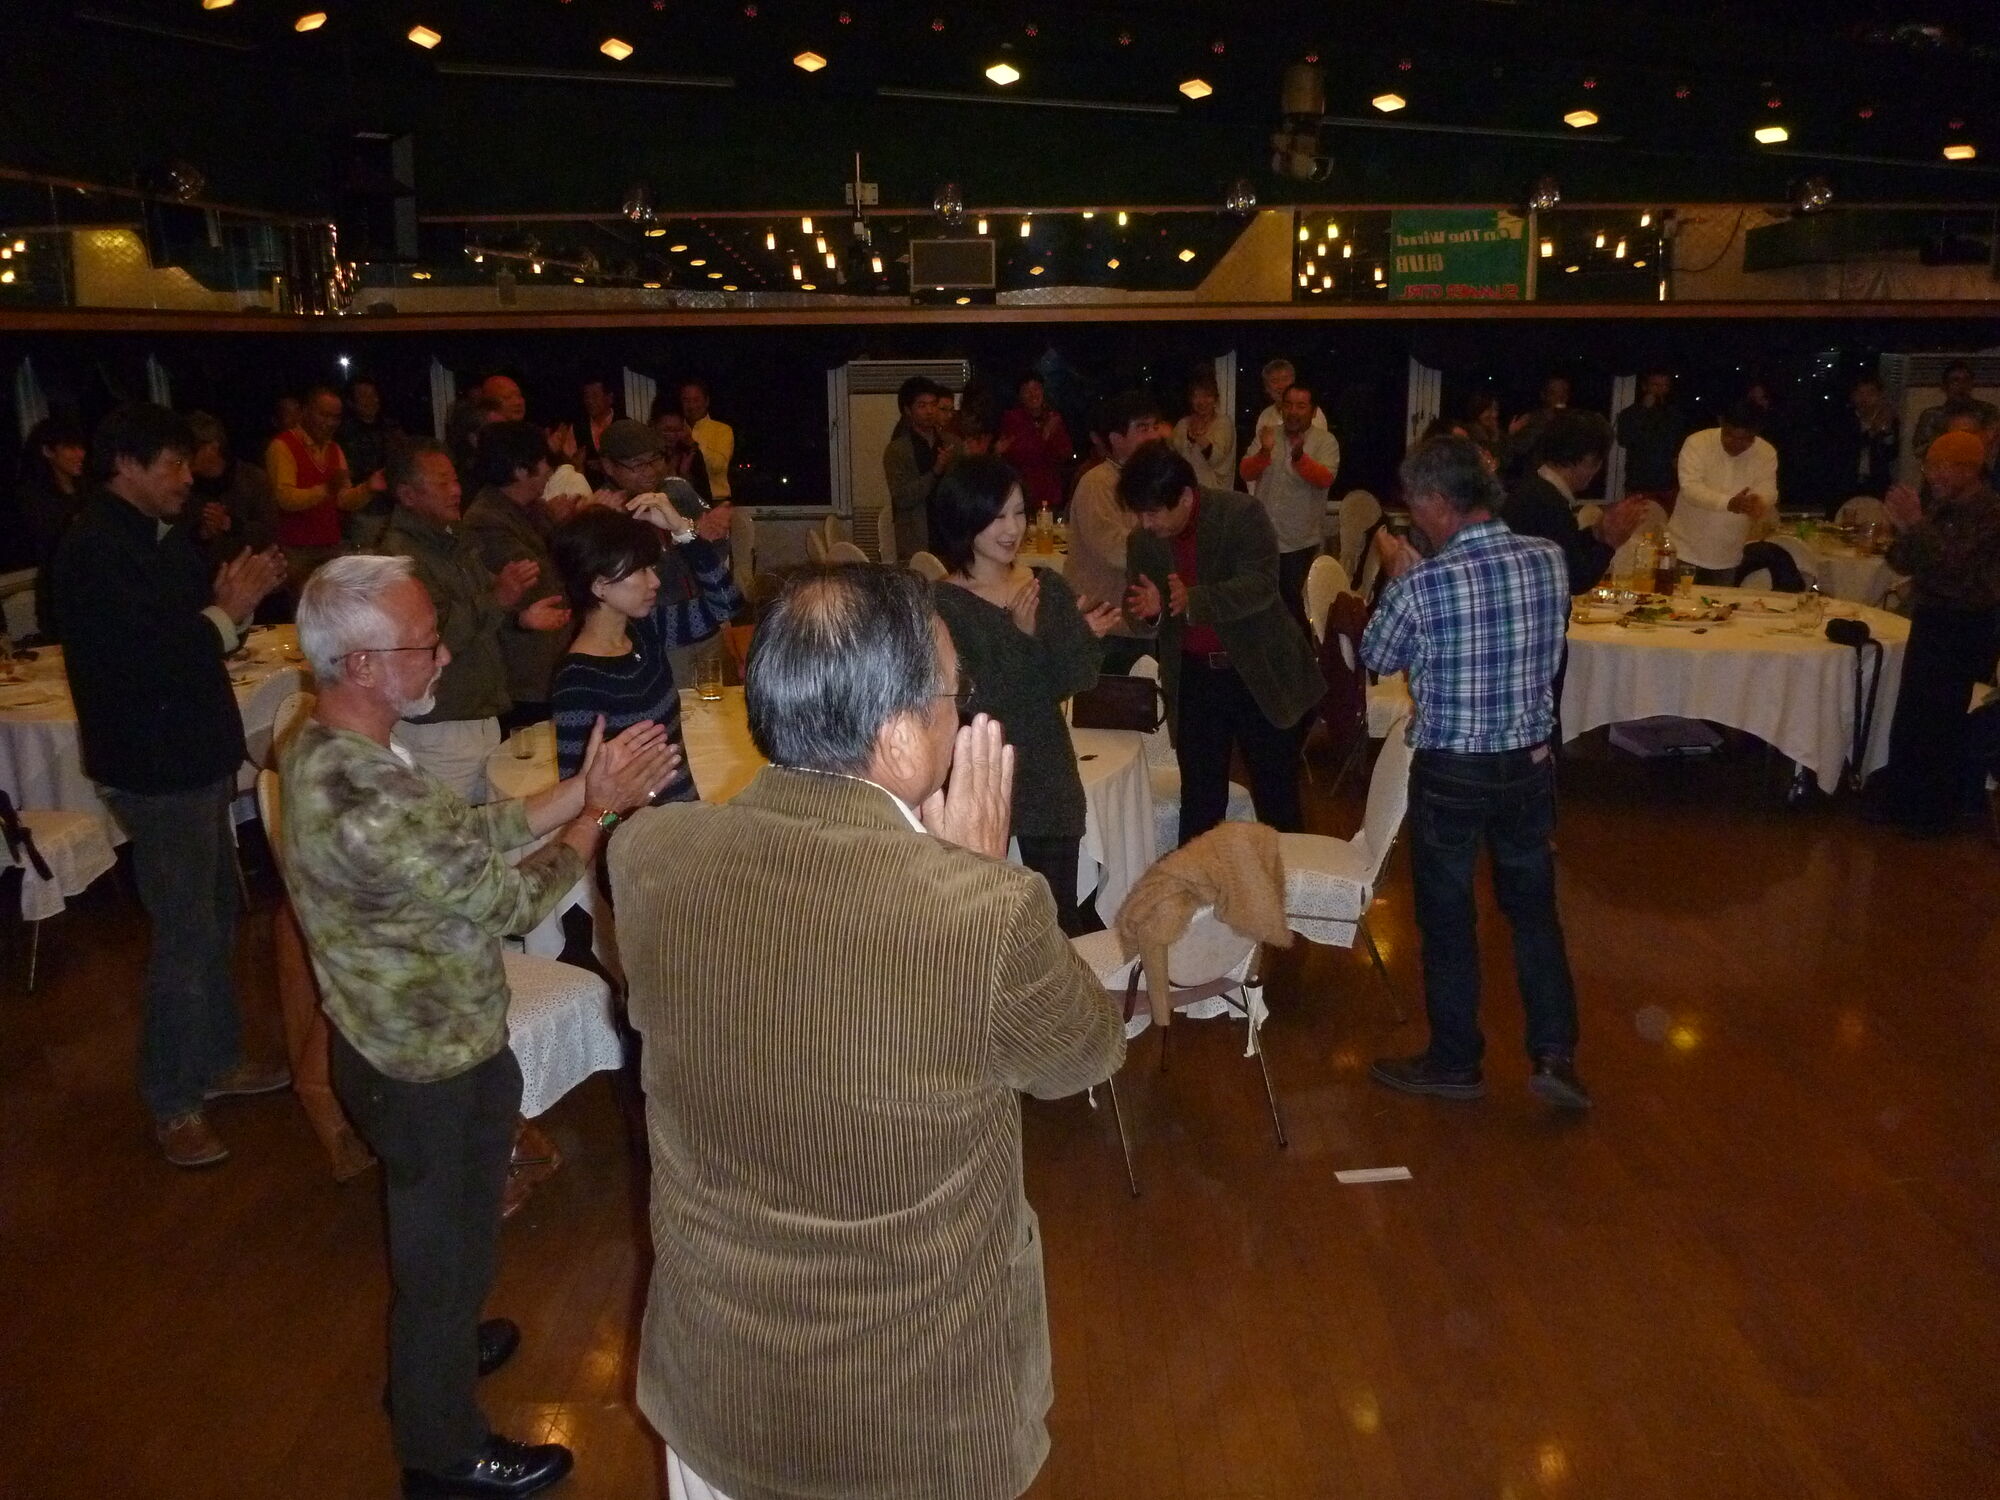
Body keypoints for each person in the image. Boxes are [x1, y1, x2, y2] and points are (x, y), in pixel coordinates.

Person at [608, 564, 1124, 1500]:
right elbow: (1086, 1053)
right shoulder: (978, 911)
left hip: (714, 1392)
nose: (961, 714)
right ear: (897, 737)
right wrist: (976, 873)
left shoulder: (648, 854)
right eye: (953, 694)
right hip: (908, 1424)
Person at [282, 553, 675, 1500]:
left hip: (408, 1042)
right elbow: (509, 902)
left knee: (450, 1252)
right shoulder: (365, 793)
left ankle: (441, 1355)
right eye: (425, 645)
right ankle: (442, 1450)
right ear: (363, 665)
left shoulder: (332, 744)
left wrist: (579, 789)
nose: (445, 656)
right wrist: (600, 817)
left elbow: (461, 840)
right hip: (426, 1067)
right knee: (443, 1259)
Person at [51, 403, 290, 1167]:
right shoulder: (95, 550)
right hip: (155, 767)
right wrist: (225, 612)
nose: (189, 478)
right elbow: (144, 661)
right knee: (185, 934)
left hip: (192, 754)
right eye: (173, 464)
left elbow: (198, 637)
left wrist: (233, 608)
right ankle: (173, 1100)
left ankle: (215, 1061)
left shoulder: (159, 537)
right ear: (125, 466)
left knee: (215, 917)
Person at [1360, 435, 1589, 1111]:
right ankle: (1554, 1054)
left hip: (1453, 772)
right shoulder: (1549, 559)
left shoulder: (1424, 584)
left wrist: (1396, 575)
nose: (1412, 516)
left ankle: (1456, 1061)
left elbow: (1377, 654)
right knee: (1534, 913)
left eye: (1414, 504)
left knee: (1448, 919)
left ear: (1437, 502)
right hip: (1529, 765)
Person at [929, 456, 1117, 933]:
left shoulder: (1045, 584)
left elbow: (1078, 677)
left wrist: (1069, 637)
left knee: (1056, 917)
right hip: (974, 769)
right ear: (965, 518)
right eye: (997, 516)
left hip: (1045, 769)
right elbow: (974, 697)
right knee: (978, 915)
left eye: (1019, 513)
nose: (1013, 528)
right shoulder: (940, 603)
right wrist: (1024, 636)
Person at [1119, 441, 1325, 844]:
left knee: (1277, 797)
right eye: (1139, 513)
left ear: (1184, 497)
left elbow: (1261, 585)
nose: (1145, 523)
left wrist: (1193, 601)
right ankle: (1195, 881)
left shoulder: (1241, 514)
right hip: (1195, 677)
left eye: (1153, 512)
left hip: (1258, 672)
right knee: (1200, 800)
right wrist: (1150, 612)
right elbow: (1137, 608)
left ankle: (1289, 880)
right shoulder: (1142, 542)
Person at [381, 439, 568, 802]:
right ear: (407, 495)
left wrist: (520, 618)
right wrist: (498, 598)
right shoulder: (399, 559)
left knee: (495, 821)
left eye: (455, 480)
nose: (455, 490)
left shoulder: (452, 540)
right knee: (456, 829)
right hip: (441, 724)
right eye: (441, 483)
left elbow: (483, 613)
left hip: (479, 714)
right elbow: (434, 641)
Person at [549, 505, 739, 801]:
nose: (655, 581)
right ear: (599, 585)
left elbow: (727, 603)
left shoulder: (645, 630)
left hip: (686, 815)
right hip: (642, 828)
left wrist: (683, 531)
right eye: (641, 570)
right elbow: (579, 796)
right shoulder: (578, 680)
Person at [1866, 431, 2000, 836]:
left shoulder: (1990, 513)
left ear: (1969, 469)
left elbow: (1956, 567)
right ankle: (1903, 801)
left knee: (1942, 718)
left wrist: (1916, 525)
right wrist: (1903, 530)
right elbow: (1904, 563)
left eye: (1941, 467)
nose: (1932, 476)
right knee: (1912, 712)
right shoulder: (1942, 508)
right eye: (1930, 467)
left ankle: (1931, 814)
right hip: (1932, 618)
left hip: (1968, 624)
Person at [596, 418, 737, 688]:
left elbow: (716, 558)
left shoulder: (677, 491)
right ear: (609, 466)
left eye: (655, 460)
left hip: (706, 624)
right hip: (654, 640)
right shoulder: (604, 510)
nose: (650, 471)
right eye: (637, 465)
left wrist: (713, 534)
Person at [461, 421, 574, 731]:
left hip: (552, 658)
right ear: (521, 470)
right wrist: (574, 530)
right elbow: (543, 581)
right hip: (526, 668)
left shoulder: (530, 508)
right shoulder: (486, 520)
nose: (549, 470)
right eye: (544, 461)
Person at [1068, 392, 1167, 673]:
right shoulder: (1097, 483)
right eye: (1142, 428)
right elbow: (1114, 551)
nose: (1153, 436)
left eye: (1154, 426)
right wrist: (1165, 549)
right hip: (1106, 626)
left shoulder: (1151, 479)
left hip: (1142, 622)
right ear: (1116, 438)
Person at [1505, 411, 1648, 593]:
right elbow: (1576, 579)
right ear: (1589, 458)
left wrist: (1596, 532)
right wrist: (1610, 542)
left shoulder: (1536, 488)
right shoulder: (1547, 500)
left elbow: (1565, 546)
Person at [1668, 403, 1800, 589]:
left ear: (1756, 433)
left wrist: (1759, 501)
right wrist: (1728, 503)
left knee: (1720, 607)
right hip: (1685, 550)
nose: (1736, 444)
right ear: (1721, 423)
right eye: (1729, 435)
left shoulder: (1765, 452)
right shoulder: (1698, 443)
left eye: (1746, 439)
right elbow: (1690, 488)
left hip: (1729, 554)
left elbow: (1768, 490)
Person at [1240, 382, 1340, 625]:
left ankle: (1295, 649)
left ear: (1313, 411)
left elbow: (1325, 478)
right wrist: (1264, 453)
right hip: (1263, 537)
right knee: (1260, 605)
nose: (1293, 411)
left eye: (1301, 406)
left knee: (1292, 610)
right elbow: (1245, 471)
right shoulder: (1268, 434)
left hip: (1298, 543)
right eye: (1288, 405)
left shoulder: (1325, 441)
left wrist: (1299, 458)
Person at [266, 384, 379, 593]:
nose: (330, 423)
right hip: (296, 551)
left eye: (335, 417)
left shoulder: (334, 448)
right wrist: (325, 489)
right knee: (304, 606)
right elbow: (284, 498)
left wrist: (368, 488)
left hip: (331, 545)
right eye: (324, 415)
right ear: (305, 411)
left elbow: (343, 499)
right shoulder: (282, 446)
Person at [16, 415, 87, 639]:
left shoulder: (88, 490)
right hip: (60, 596)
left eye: (81, 447)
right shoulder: (34, 496)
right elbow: (55, 538)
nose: (81, 454)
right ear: (48, 451)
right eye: (71, 448)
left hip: (93, 591)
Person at [184, 411, 279, 573]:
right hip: (205, 579)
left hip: (254, 576)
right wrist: (202, 533)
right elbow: (177, 539)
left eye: (191, 450)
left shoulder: (253, 479)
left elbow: (269, 532)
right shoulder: (183, 487)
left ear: (212, 447)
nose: (185, 456)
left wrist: (229, 523)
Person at [882, 375, 955, 558]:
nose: (929, 411)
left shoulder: (952, 444)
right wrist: (935, 471)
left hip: (950, 536)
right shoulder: (897, 450)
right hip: (916, 539)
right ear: (908, 410)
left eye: (933, 404)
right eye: (922, 405)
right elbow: (902, 497)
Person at [995, 371, 1074, 514]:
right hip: (1025, 494)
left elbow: (1065, 452)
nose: (1033, 395)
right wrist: (1046, 434)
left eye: (1036, 389)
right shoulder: (1012, 419)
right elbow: (1022, 454)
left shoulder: (1053, 417)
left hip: (1051, 493)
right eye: (1027, 391)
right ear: (1020, 395)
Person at [338, 375, 402, 548]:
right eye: (364, 396)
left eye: (373, 395)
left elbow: (402, 458)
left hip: (395, 507)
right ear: (352, 402)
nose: (371, 400)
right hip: (365, 511)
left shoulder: (391, 427)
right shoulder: (344, 434)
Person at [1614, 369, 1687, 502]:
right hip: (1639, 483)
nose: (1660, 390)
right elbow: (1624, 439)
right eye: (1655, 385)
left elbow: (1680, 442)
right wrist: (1644, 410)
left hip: (1668, 483)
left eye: (1665, 386)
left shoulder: (1674, 415)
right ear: (1644, 387)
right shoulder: (1630, 413)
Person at [1910, 360, 1997, 461]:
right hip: (1943, 466)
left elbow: (1993, 445)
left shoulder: (1986, 411)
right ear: (1944, 387)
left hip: (1977, 465)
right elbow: (1920, 450)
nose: (1962, 385)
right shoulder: (1932, 415)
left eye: (1966, 380)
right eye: (1955, 380)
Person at [1170, 368, 1238, 492]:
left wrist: (1200, 438)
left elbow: (1216, 459)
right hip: (1187, 494)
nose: (1202, 402)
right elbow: (1173, 458)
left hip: (1215, 496)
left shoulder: (1223, 423)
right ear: (1190, 399)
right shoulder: (1182, 425)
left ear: (1215, 398)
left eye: (1207, 396)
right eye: (1196, 396)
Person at [1503, 373, 1572, 485]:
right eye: (1553, 393)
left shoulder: (1571, 421)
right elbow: (1519, 450)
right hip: (1535, 482)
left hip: (1563, 481)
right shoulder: (1531, 420)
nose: (1560, 398)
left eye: (1564, 393)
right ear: (1543, 395)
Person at [647, 399, 715, 506]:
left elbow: (705, 500)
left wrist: (685, 475)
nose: (673, 436)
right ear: (653, 426)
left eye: (678, 430)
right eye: (667, 430)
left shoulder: (690, 453)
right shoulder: (645, 455)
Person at [680, 377, 734, 504]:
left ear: (707, 401)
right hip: (681, 500)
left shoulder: (722, 430)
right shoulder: (676, 430)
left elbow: (719, 465)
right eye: (686, 400)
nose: (691, 405)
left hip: (715, 501)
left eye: (696, 400)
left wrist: (693, 444)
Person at [1847, 374, 1901, 503]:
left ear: (1880, 396)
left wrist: (1887, 431)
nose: (1864, 398)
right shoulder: (1845, 420)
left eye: (1870, 393)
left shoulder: (1888, 419)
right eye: (1860, 393)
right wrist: (1870, 432)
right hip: (1847, 482)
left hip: (1876, 484)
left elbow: (1891, 453)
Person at [1250, 357, 1327, 444]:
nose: (1281, 385)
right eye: (1274, 381)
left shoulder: (1311, 412)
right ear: (1267, 388)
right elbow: (1259, 448)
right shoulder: (1265, 416)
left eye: (1285, 379)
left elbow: (1318, 447)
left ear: (1294, 382)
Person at [572, 374, 620, 485]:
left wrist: (606, 466)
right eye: (586, 396)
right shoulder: (578, 428)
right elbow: (569, 463)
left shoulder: (624, 424)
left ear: (610, 398)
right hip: (589, 490)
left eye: (595, 396)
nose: (589, 401)